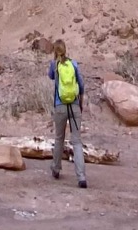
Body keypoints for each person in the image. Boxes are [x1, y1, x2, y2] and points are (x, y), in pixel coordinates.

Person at [48, 38, 87, 188]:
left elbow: (50, 76)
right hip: (75, 105)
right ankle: (81, 177)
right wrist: (80, 104)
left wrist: (54, 62)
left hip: (60, 106)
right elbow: (81, 85)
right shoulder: (74, 64)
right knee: (76, 142)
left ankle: (56, 168)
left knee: (59, 138)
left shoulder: (54, 65)